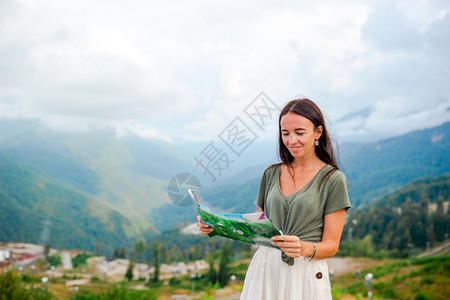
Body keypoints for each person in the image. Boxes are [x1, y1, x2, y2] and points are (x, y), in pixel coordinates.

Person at [197, 98, 351, 300]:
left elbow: (331, 245)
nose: (291, 140)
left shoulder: (333, 180)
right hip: (265, 268)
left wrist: (303, 247)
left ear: (318, 132)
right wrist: (217, 226)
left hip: (305, 272)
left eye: (299, 132)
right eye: (285, 133)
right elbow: (258, 227)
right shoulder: (271, 174)